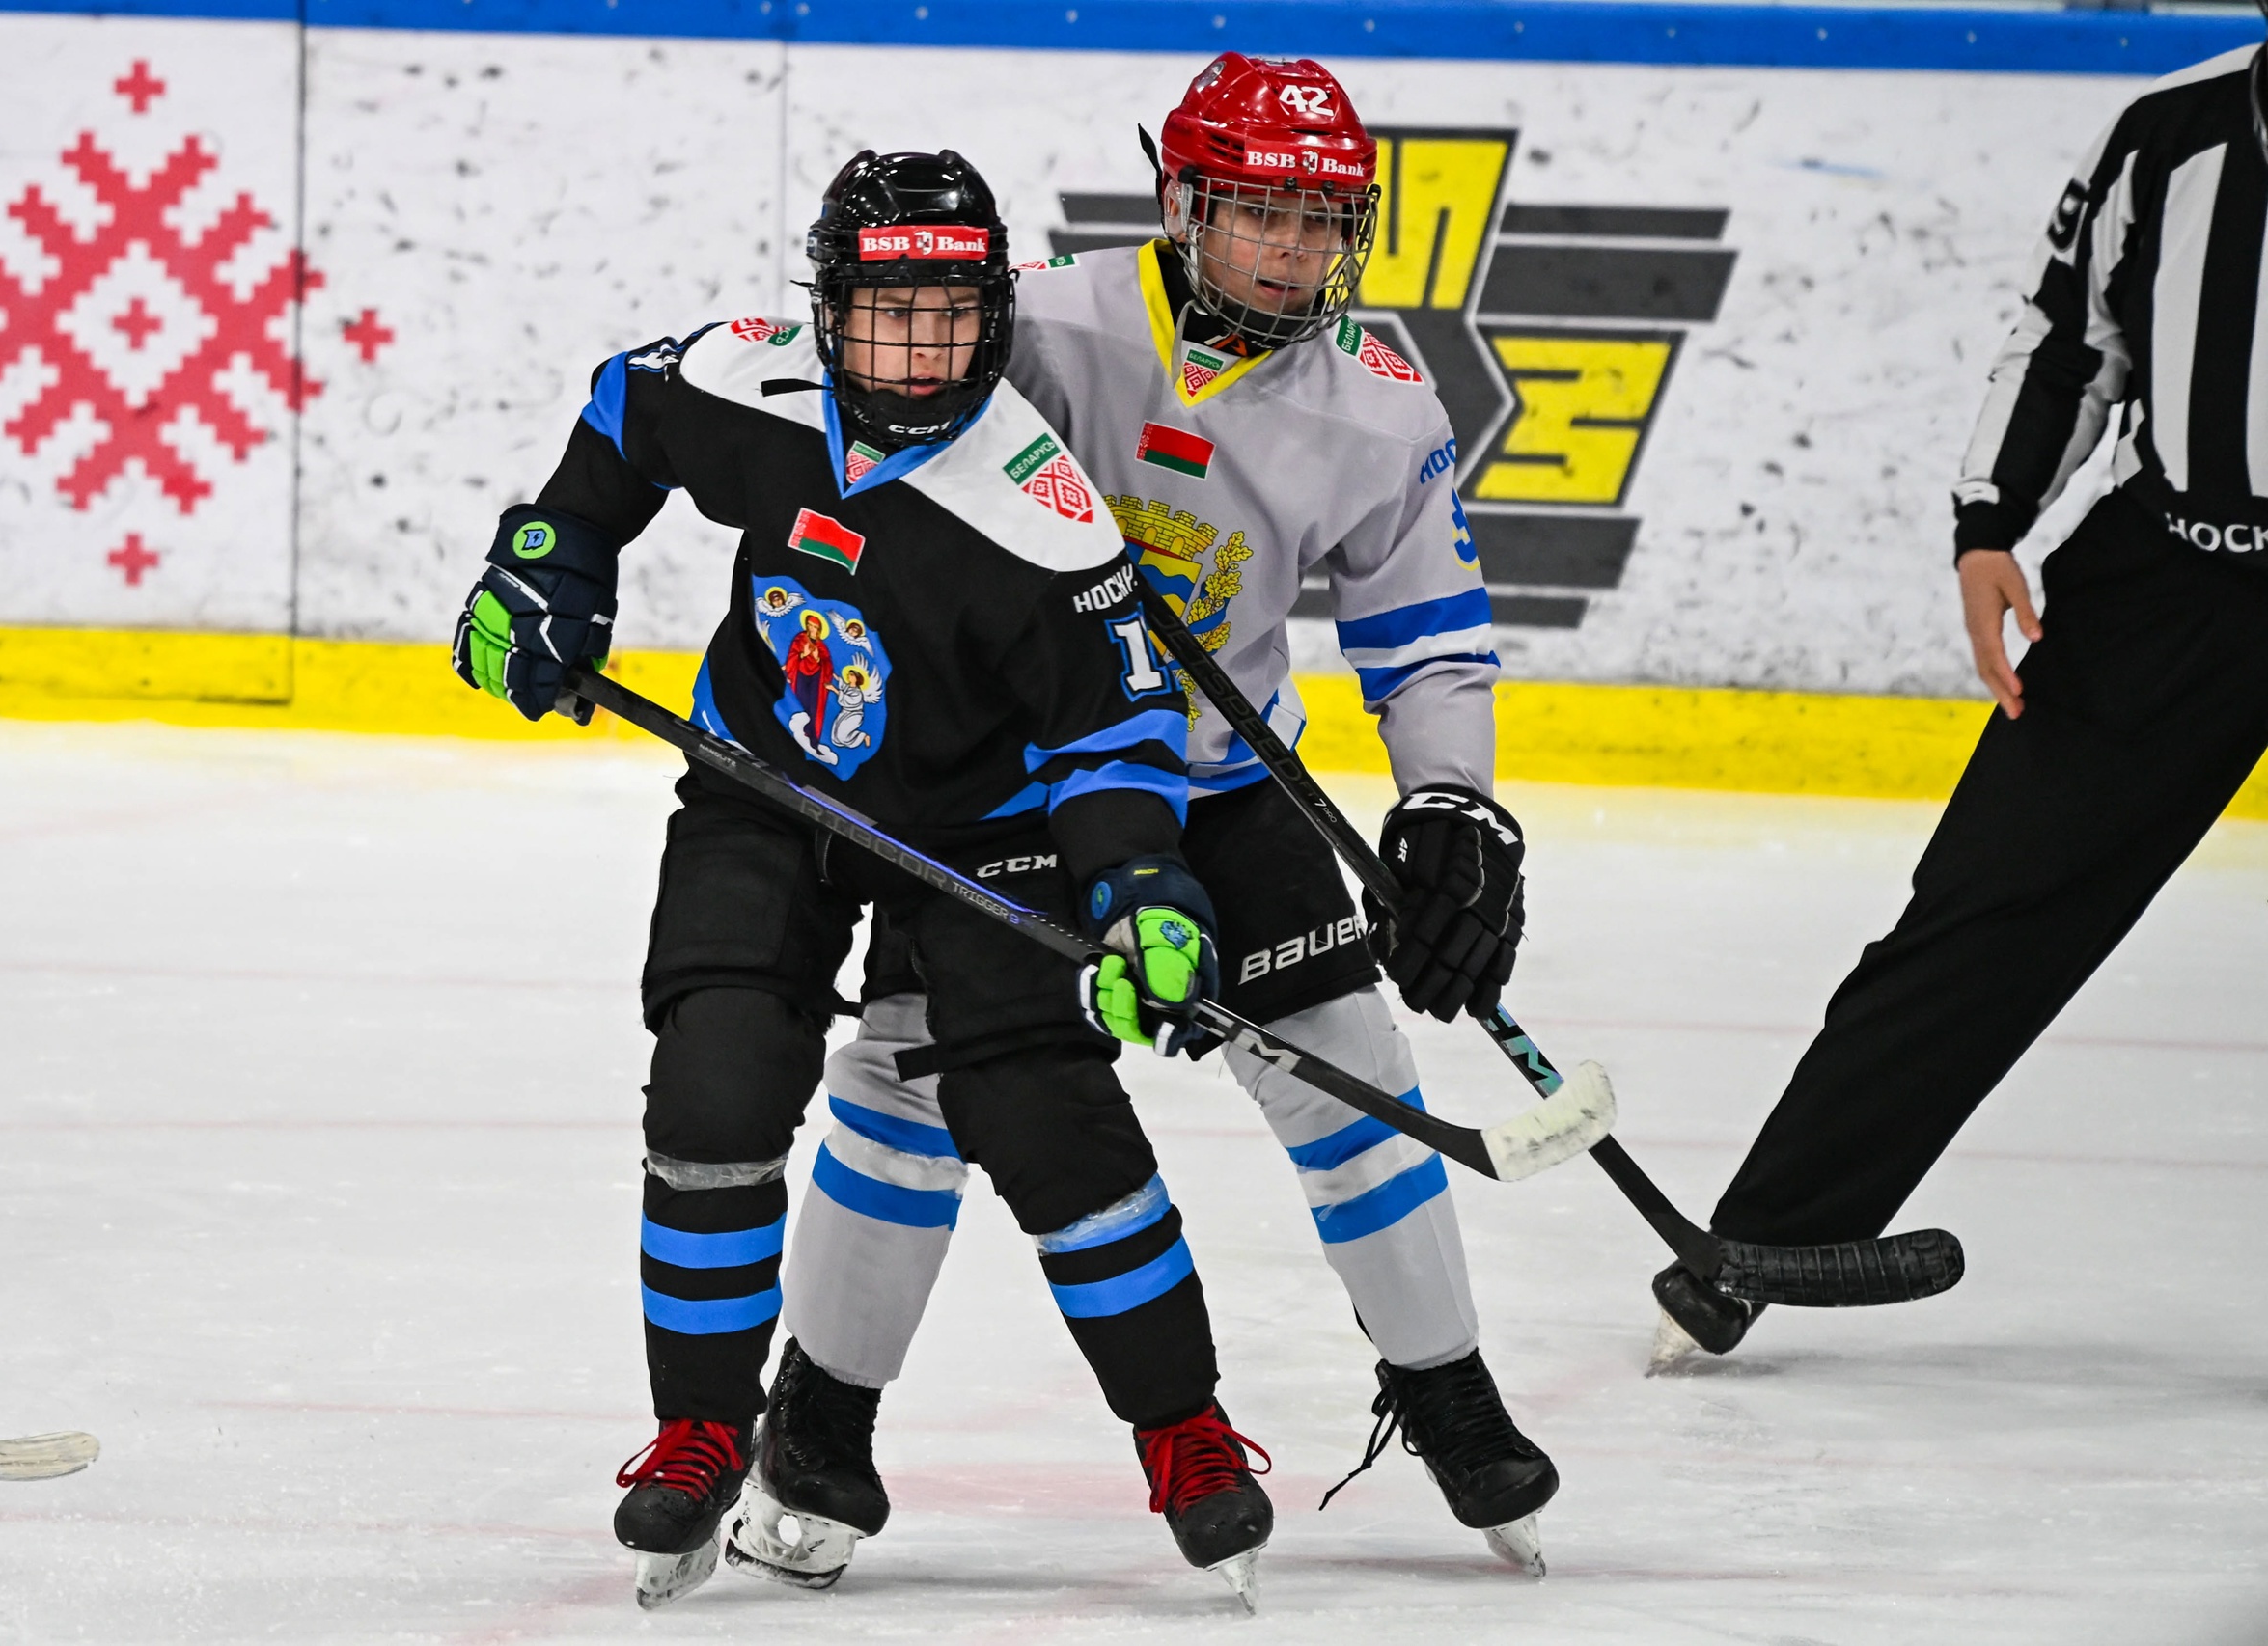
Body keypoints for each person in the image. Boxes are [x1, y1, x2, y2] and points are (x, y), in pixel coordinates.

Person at [742, 54, 1560, 1591]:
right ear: (1180, 204)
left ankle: (1449, 1392)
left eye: (1324, 223)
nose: (1296, 252)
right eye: (1261, 215)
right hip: (1004, 793)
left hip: (1220, 783)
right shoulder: (1034, 325)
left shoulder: (1381, 406)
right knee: (911, 1079)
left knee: (1355, 1070)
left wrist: (1451, 801)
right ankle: (818, 1422)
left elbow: (1429, 639)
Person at [450, 149, 1275, 1609]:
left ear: (991, 319)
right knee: (716, 1077)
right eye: (889, 316)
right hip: (766, 781)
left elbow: (1113, 735)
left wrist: (1144, 889)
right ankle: (703, 1429)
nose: (919, 352)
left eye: (949, 316)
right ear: (828, 311)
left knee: (1044, 1109)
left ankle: (1183, 1429)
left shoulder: (1042, 511)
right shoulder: (748, 383)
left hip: (980, 826)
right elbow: (622, 417)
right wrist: (549, 563)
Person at [1648, 32, 2268, 1368]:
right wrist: (1991, 521)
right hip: (2166, 581)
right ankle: (1763, 1242)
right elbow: (2073, 336)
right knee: (1985, 908)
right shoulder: (2173, 132)